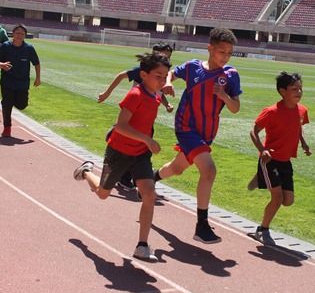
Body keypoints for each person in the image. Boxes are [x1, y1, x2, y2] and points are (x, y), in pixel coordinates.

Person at [73, 52, 172, 262]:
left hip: (140, 154)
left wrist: (145, 142)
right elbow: (121, 125)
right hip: (119, 152)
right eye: (158, 76)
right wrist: (147, 139)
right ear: (143, 75)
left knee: (149, 194)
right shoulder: (135, 95)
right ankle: (86, 172)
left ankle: (142, 246)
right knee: (102, 193)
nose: (162, 81)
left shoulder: (156, 95)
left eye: (165, 77)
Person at [155, 28, 242, 244]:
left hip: (207, 133)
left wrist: (224, 95)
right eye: (222, 51)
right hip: (186, 127)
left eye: (229, 53)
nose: (226, 56)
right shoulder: (193, 66)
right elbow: (171, 73)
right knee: (209, 170)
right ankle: (201, 225)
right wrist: (167, 82)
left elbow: (235, 108)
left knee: (176, 168)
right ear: (210, 48)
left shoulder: (230, 75)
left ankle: (150, 178)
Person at [98, 42, 175, 190]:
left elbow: (158, 94)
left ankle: (138, 178)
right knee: (103, 191)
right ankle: (116, 175)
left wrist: (166, 104)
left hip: (146, 121)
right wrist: (107, 93)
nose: (166, 58)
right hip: (132, 114)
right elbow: (121, 76)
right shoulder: (144, 73)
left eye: (169, 56)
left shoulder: (161, 78)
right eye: (164, 55)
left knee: (141, 152)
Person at [248, 71, 311, 246]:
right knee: (277, 199)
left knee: (288, 201)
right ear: (283, 92)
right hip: (270, 159)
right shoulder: (271, 111)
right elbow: (253, 132)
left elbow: (298, 127)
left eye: (300, 88)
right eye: (294, 89)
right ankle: (262, 230)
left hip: (286, 160)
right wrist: (262, 150)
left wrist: (304, 143)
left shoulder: (302, 110)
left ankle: (260, 176)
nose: (299, 92)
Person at [0, 24, 41, 138]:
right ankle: (7, 128)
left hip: (22, 82)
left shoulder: (28, 48)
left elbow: (36, 63)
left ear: (25, 36)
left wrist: (38, 78)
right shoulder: (5, 46)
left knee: (22, 105)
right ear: (13, 34)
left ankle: (11, 101)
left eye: (22, 34)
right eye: (17, 33)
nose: (19, 35)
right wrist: (2, 65)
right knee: (7, 105)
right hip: (7, 81)